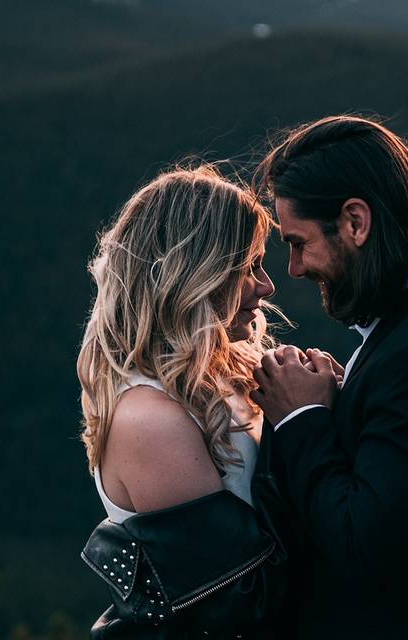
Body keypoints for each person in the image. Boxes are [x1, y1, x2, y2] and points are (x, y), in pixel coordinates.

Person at [250, 115, 408, 639]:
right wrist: (342, 395)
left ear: (355, 222)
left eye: (298, 242)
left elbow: (364, 544)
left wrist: (303, 418)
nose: (295, 269)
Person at [76, 165, 290, 639]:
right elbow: (240, 599)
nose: (266, 286)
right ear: (196, 272)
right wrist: (303, 422)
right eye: (249, 266)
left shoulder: (225, 376)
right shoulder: (148, 418)